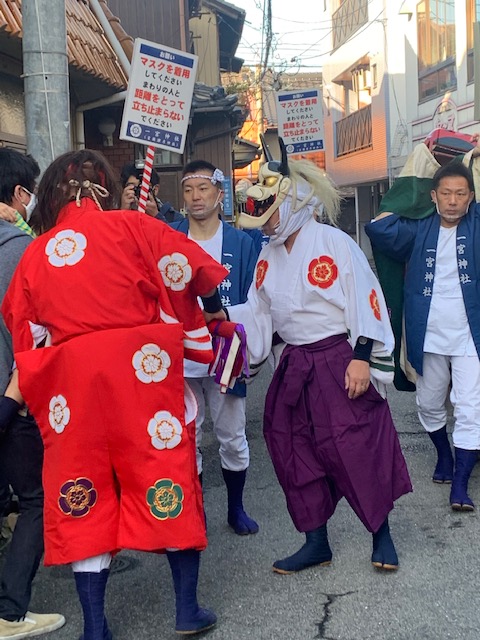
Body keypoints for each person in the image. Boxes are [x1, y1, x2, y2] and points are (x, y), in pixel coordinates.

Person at [0, 149, 229, 639]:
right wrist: (212, 311)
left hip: (74, 390)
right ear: (102, 185)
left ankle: (95, 627)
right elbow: (191, 266)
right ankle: (186, 609)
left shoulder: (38, 251)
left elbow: (24, 329)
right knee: (163, 470)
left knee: (82, 489)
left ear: (51, 195)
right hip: (140, 376)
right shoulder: (133, 226)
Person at [219, 143, 412, 573]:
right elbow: (259, 312)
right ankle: (316, 541)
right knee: (292, 446)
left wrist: (362, 356)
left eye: (270, 213)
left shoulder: (333, 242)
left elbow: (365, 296)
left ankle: (381, 534)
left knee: (355, 445)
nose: (267, 223)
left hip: (337, 358)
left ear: (291, 204)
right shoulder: (267, 254)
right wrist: (223, 315)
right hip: (294, 364)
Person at [366, 161, 480, 512]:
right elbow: (379, 228)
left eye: (460, 194)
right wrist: (410, 198)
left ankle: (460, 483)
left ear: (471, 197)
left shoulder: (477, 225)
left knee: (470, 407)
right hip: (428, 335)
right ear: (433, 196)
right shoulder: (418, 229)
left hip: (471, 337)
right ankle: (444, 454)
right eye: (445, 193)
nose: (452, 201)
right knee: (429, 403)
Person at [170, 160, 260, 536]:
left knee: (232, 435)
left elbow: (256, 298)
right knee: (186, 438)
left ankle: (236, 508)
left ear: (220, 194)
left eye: (203, 189)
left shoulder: (242, 243)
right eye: (189, 190)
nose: (196, 197)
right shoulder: (169, 238)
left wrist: (244, 336)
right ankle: (196, 510)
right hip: (181, 354)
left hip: (226, 352)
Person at [0, 148, 66, 638]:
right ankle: (9, 612)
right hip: (12, 396)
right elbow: (36, 331)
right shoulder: (22, 250)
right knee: (37, 499)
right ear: (21, 194)